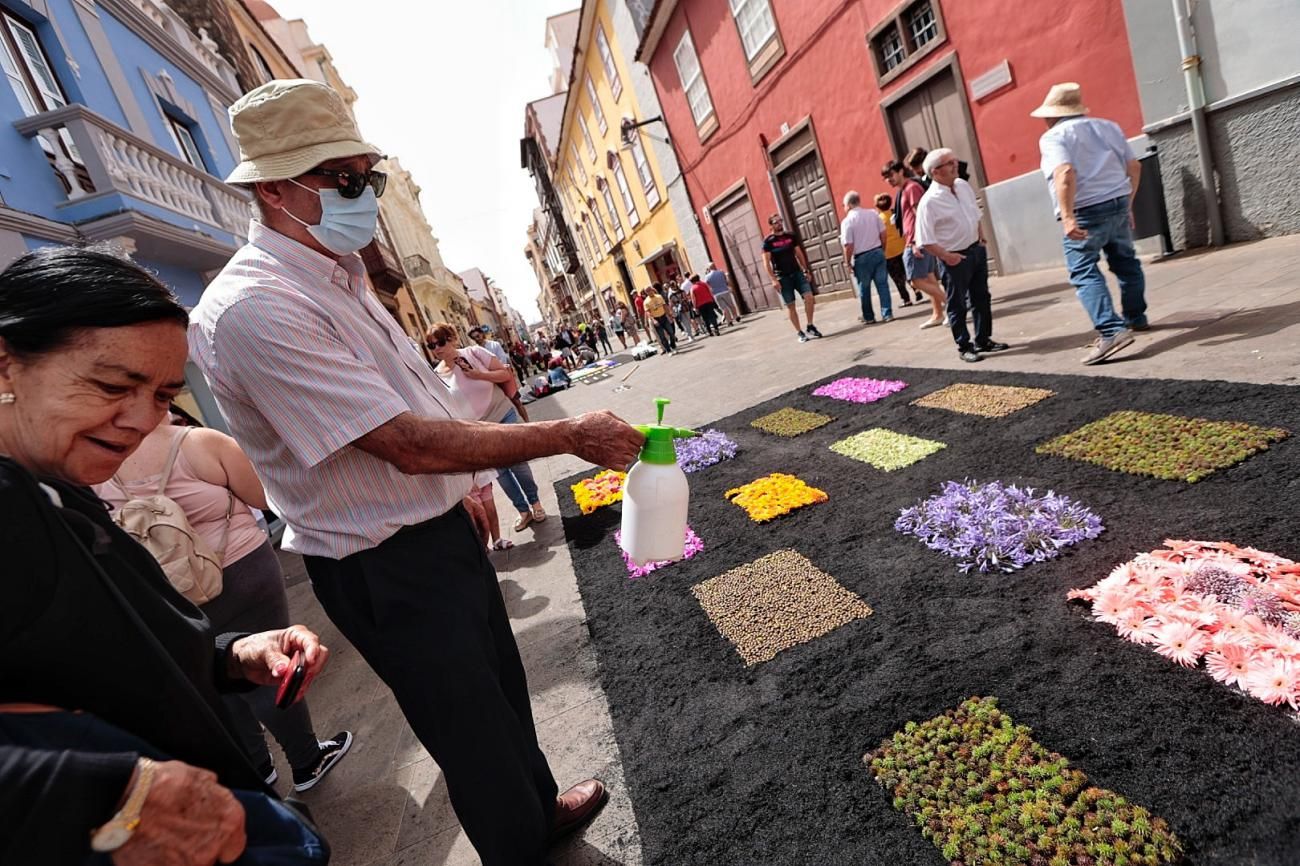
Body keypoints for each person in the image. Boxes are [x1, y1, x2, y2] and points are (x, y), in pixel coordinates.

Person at [189, 79, 644, 866]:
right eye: (343, 179)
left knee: (500, 690)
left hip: (432, 531)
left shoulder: (341, 277)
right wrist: (566, 433)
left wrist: (461, 490)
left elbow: (421, 406)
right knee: (465, 724)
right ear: (272, 188)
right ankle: (520, 848)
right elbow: (404, 442)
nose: (363, 194)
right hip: (381, 562)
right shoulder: (256, 307)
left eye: (370, 177)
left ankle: (537, 811)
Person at [0, 245, 333, 865]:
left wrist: (234, 656)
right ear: (5, 366)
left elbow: (118, 651)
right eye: (112, 385)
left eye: (161, 396)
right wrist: (106, 795)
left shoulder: (61, 488)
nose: (139, 420)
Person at [96, 418, 353, 793]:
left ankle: (257, 766)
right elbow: (266, 499)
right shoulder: (200, 443)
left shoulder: (98, 466)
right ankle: (307, 759)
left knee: (215, 671)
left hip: (170, 590)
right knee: (274, 666)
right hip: (240, 572)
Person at [1033, 81, 1148, 365]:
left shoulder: (1052, 137)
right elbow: (1134, 166)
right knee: (1126, 262)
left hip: (1085, 209)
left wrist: (1068, 216)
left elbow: (1065, 173)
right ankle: (1136, 317)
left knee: (1083, 270)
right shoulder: (1108, 126)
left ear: (1052, 114)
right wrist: (1127, 204)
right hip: (1118, 201)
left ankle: (1111, 330)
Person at [427, 322, 547, 533]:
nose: (436, 348)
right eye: (431, 345)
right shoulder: (437, 375)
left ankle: (535, 503)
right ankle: (523, 511)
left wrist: (479, 375)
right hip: (479, 429)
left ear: (453, 339)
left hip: (503, 414)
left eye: (441, 342)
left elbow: (505, 374)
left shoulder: (473, 352)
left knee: (517, 462)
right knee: (501, 474)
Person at [915, 148, 1010, 362]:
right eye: (949, 163)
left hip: (975, 250)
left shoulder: (962, 185)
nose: (955, 164)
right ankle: (964, 346)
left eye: (954, 160)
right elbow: (925, 240)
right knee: (957, 303)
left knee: (981, 297)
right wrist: (948, 256)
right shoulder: (929, 202)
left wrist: (981, 237)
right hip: (954, 258)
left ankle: (983, 339)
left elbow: (974, 213)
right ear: (936, 172)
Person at [884, 160, 948, 328]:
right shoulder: (905, 190)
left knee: (915, 281)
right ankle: (938, 314)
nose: (888, 180)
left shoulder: (911, 188)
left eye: (890, 175)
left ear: (900, 172)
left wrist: (915, 242)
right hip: (917, 239)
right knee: (929, 278)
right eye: (885, 177)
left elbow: (920, 215)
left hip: (916, 240)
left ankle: (953, 304)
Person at [762, 214, 823, 343]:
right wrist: (773, 279)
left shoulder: (791, 236)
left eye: (780, 220)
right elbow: (766, 263)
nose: (779, 223)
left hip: (797, 273)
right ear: (771, 225)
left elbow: (799, 253)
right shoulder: (768, 242)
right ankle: (799, 332)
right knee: (791, 306)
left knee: (809, 297)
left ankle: (810, 325)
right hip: (782, 277)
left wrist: (805, 270)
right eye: (776, 222)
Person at [840, 190, 892, 324]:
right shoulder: (873, 214)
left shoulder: (847, 221)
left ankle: (869, 317)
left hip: (862, 257)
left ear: (849, 205)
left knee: (864, 288)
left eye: (843, 205)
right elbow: (883, 234)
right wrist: (882, 249)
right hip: (877, 251)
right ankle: (887, 313)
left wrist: (847, 262)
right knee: (883, 285)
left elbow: (848, 245)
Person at [875, 192, 913, 309]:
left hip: (889, 252)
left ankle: (906, 299)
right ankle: (917, 291)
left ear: (877, 206)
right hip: (902, 246)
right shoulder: (894, 214)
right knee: (907, 272)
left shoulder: (879, 219)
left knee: (897, 277)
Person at [642, 283, 677, 354]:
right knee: (662, 336)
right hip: (656, 319)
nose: (649, 291)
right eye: (647, 291)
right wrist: (653, 320)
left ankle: (673, 346)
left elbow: (664, 306)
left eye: (650, 289)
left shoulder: (659, 296)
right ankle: (668, 350)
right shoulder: (646, 302)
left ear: (652, 289)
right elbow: (648, 313)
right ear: (646, 292)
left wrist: (669, 314)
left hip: (663, 316)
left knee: (671, 332)